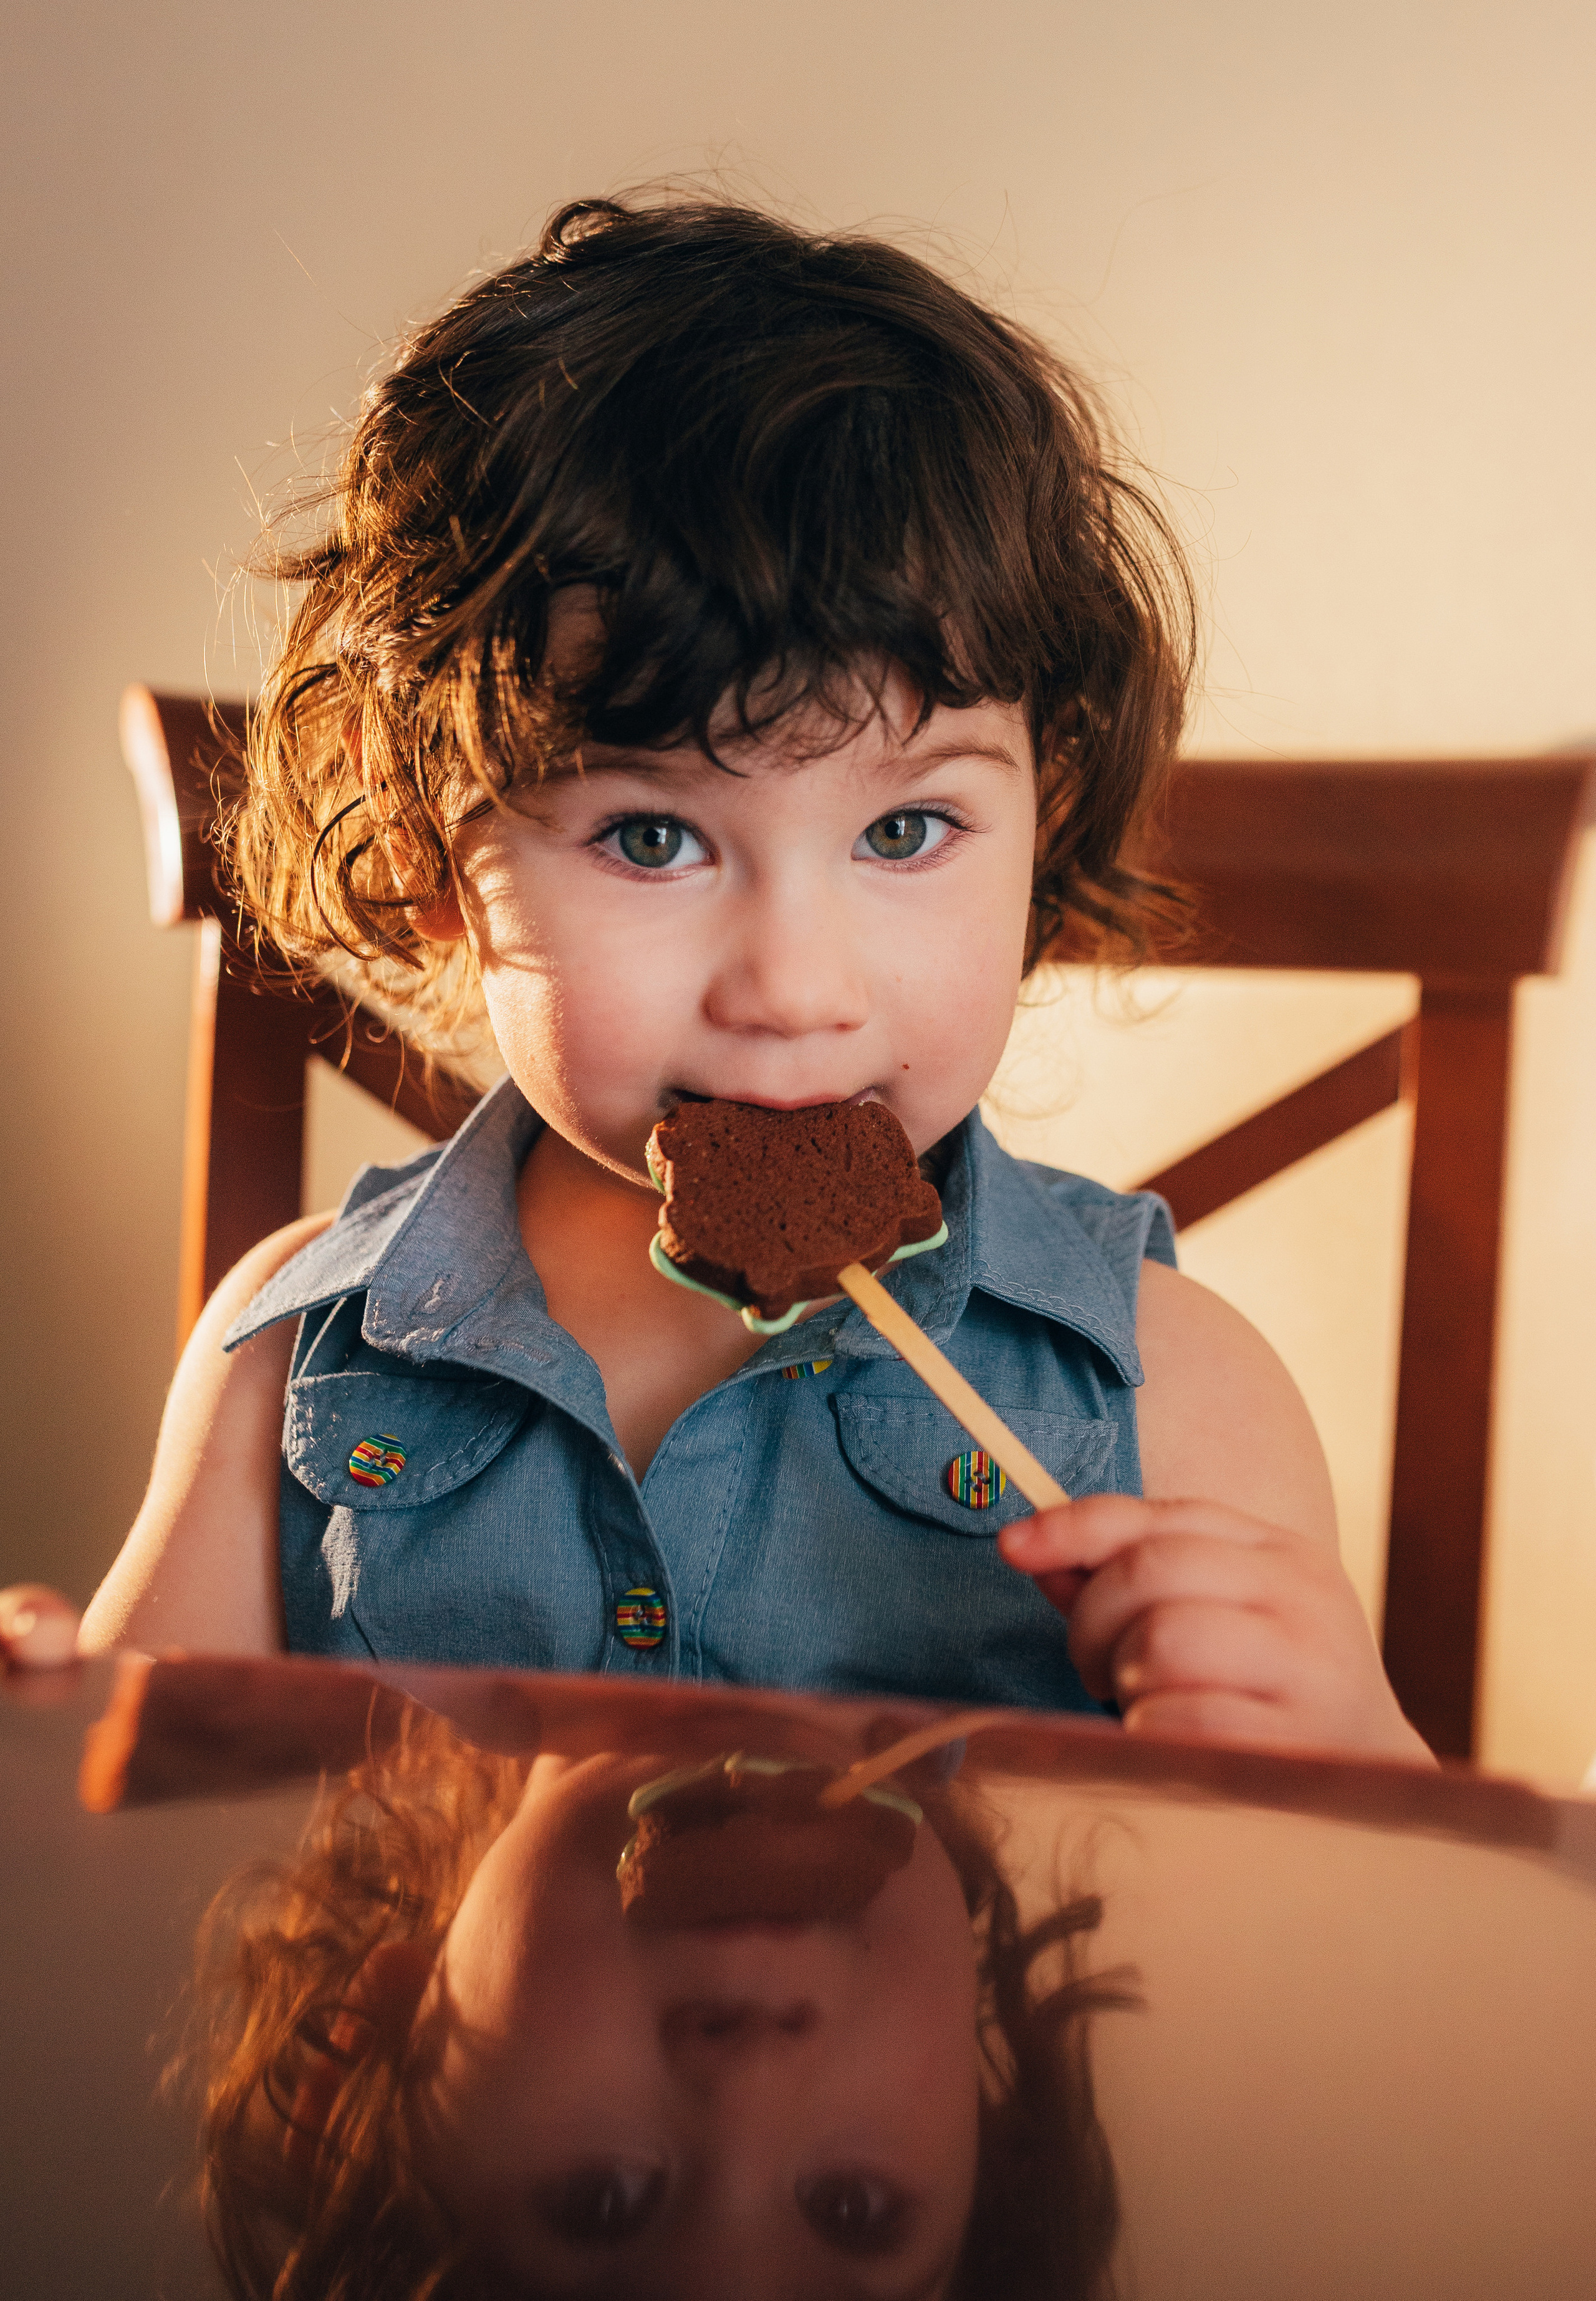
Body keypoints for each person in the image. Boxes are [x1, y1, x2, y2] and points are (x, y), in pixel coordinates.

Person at [59, 193, 1429, 1760]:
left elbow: (1364, 1958)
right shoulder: (288, 1360)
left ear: (1041, 806)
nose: (791, 985)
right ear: (432, 845)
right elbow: (121, 1900)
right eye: (652, 837)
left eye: (905, 827)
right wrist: (43, 1741)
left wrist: (1335, 1740)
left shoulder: (1176, 1396)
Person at [184, 1693, 1130, 2300]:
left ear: (369, 2074)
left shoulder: (340, 1596)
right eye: (851, 2206)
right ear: (985, 2128)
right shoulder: (1073, 1640)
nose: (754, 2070)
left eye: (605, 2199)